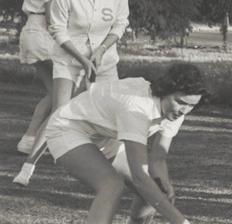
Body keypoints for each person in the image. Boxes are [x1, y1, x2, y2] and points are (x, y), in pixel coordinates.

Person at [14, 0, 130, 186]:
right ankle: (27, 167)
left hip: (104, 60)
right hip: (69, 59)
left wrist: (100, 51)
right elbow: (58, 30)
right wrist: (83, 60)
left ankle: (110, 164)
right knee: (61, 111)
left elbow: (120, 24)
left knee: (112, 111)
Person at [45, 62, 205, 224]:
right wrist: (181, 221)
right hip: (67, 128)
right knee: (111, 185)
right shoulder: (136, 107)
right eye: (181, 102)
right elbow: (140, 177)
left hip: (104, 135)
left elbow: (158, 158)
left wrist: (163, 182)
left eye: (192, 105)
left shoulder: (175, 112)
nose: (184, 110)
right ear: (165, 91)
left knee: (154, 191)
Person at [16, 0, 76, 154]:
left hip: (36, 32)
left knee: (55, 92)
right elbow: (52, 16)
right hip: (41, 32)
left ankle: (30, 140)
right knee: (67, 88)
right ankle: (50, 140)